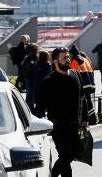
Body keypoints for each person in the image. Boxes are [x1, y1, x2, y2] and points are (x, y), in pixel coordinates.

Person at [34, 47, 88, 177]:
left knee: (73, 154)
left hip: (75, 125)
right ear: (56, 61)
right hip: (58, 126)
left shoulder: (76, 75)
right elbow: (40, 108)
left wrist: (85, 119)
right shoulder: (48, 82)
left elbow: (83, 98)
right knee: (65, 156)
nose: (68, 59)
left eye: (68, 57)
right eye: (64, 58)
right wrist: (34, 126)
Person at [69, 45, 97, 125]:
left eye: (70, 54)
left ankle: (90, 119)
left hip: (83, 84)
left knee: (85, 103)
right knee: (89, 101)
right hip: (90, 83)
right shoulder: (85, 59)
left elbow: (74, 73)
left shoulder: (75, 61)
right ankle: (93, 119)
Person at [22, 43, 39, 112]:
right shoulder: (30, 59)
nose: (36, 51)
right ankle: (30, 111)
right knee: (30, 96)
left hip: (31, 79)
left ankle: (30, 110)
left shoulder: (32, 58)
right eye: (35, 50)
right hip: (30, 79)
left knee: (30, 96)